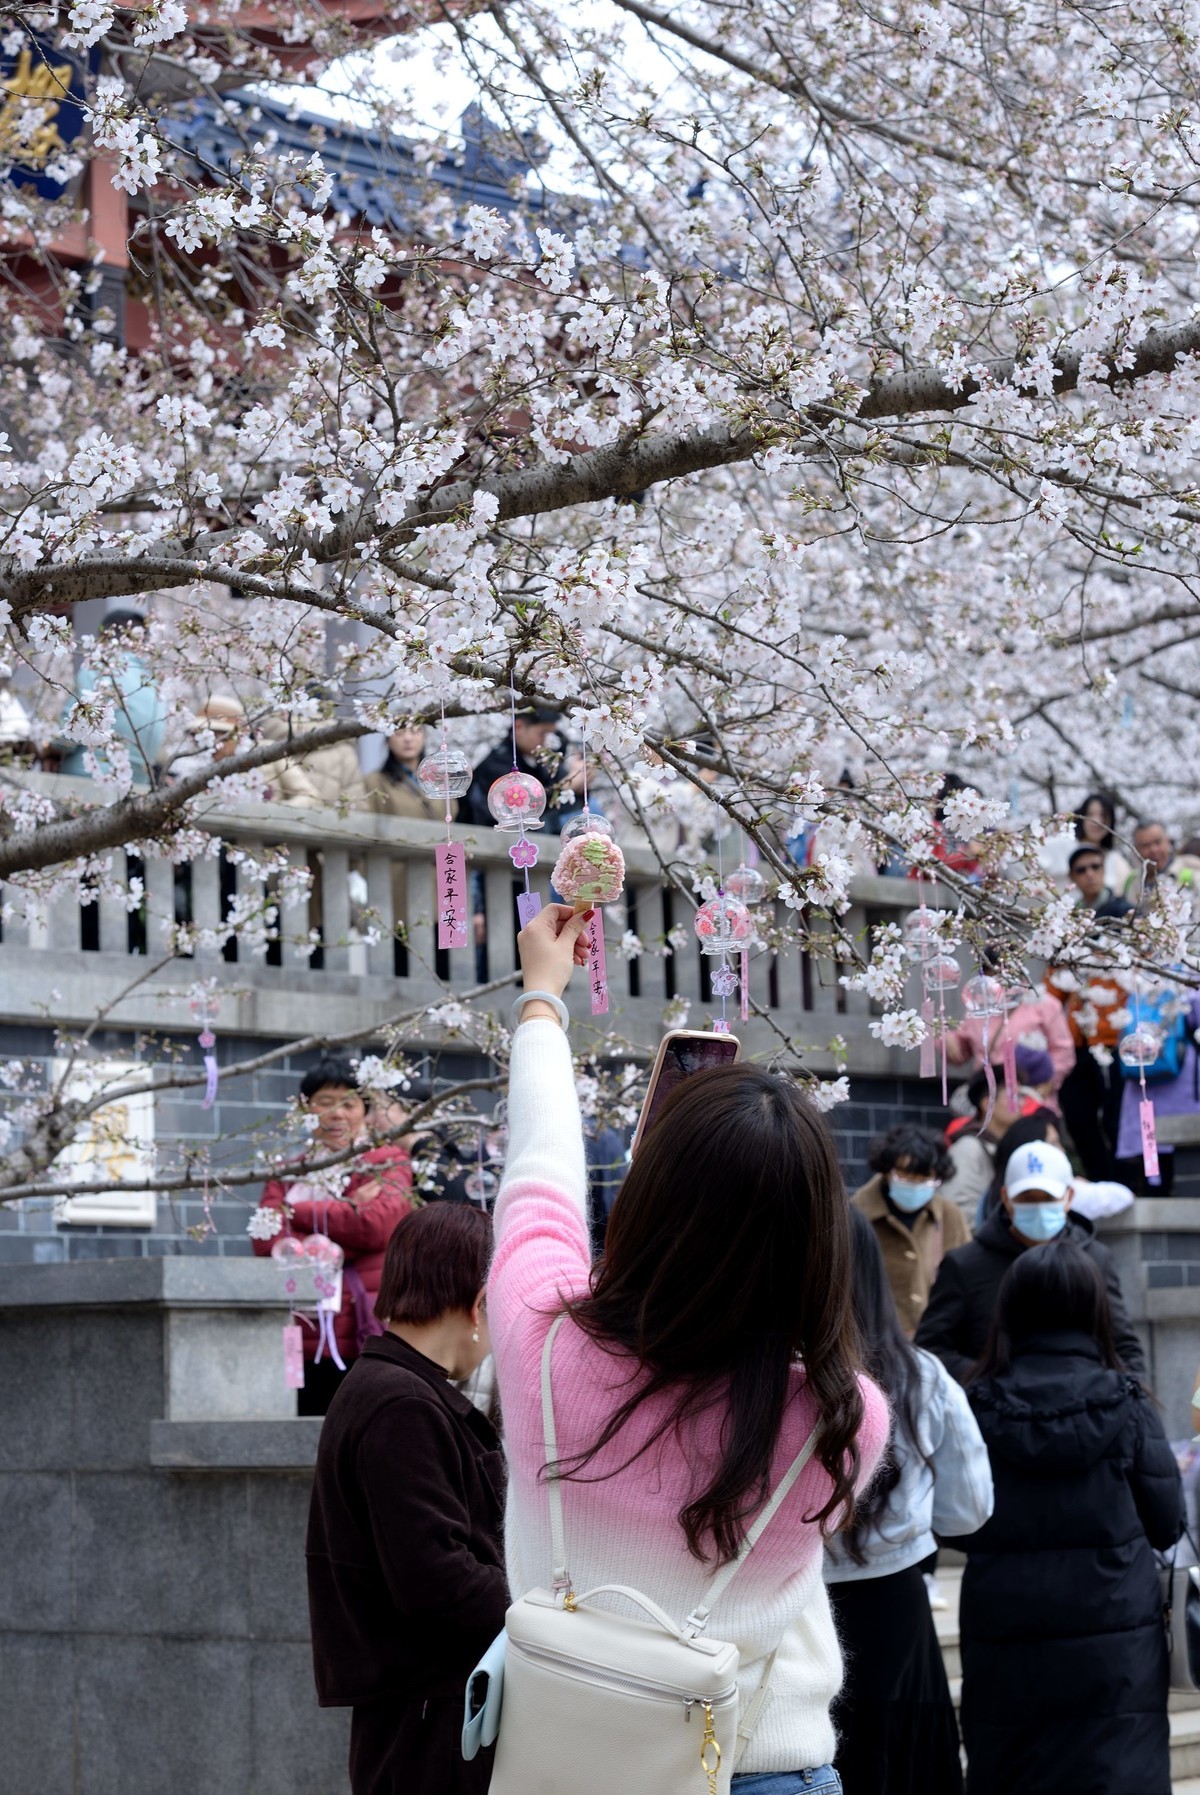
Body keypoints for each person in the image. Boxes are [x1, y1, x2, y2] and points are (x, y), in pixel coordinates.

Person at [490, 902, 890, 1792]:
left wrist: (543, 1003)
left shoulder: (542, 1349)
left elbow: (540, 1175)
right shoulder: (843, 1420)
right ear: (818, 1241)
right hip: (756, 1769)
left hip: (568, 1766)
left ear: (649, 1200)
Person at [958, 1242, 1184, 1795]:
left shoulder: (977, 1404)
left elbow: (953, 1524)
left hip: (1004, 1630)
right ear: (1095, 1309)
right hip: (1115, 1644)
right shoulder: (1129, 1404)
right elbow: (1168, 1523)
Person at [307, 1203, 506, 1795]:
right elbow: (437, 1581)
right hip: (430, 1721)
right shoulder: (403, 1404)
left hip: (419, 1715)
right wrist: (549, 1609)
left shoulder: (385, 1388)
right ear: (477, 1304)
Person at [825, 1209, 993, 1795]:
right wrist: (917, 1527)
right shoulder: (921, 1375)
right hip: (897, 1596)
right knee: (907, 1763)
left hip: (797, 1604)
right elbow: (969, 1508)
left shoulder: (770, 1379)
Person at [253, 1055, 414, 1413]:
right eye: (325, 1103)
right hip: (301, 1328)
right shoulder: (289, 1170)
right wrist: (348, 1207)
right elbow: (266, 1240)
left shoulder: (386, 1162)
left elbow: (376, 1227)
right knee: (302, 1431)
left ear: (364, 1111)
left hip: (363, 1329)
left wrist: (299, 1211)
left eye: (349, 1104)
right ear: (306, 1111)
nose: (338, 1114)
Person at [915, 1138, 1145, 1381]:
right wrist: (987, 1381)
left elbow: (1124, 1347)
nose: (1038, 1207)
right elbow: (931, 1349)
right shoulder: (966, 1265)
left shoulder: (1095, 1259)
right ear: (1006, 1198)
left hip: (1083, 1409)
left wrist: (1122, 1399)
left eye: (1047, 1198)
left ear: (1069, 1198)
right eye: (1027, 1199)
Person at [851, 1125, 970, 1338]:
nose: (915, 1185)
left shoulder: (950, 1217)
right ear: (887, 1170)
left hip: (935, 1343)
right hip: (870, 1343)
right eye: (906, 1175)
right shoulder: (856, 1216)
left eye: (925, 1178)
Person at [364, 724, 455, 958]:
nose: (407, 739)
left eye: (415, 731)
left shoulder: (441, 779)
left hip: (439, 873)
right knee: (404, 944)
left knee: (443, 945)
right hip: (397, 876)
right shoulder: (375, 782)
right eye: (399, 732)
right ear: (387, 738)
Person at [58, 608, 167, 786]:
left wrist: (49, 749)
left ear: (105, 636)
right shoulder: (155, 684)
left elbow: (68, 735)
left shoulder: (95, 669)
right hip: (138, 783)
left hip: (85, 779)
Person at [1114, 984, 1200, 1196]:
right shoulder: (1187, 978)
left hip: (1142, 1085)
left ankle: (1154, 1190)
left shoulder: (1136, 979)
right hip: (1183, 1085)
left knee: (1151, 1152)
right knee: (1187, 1165)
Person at [459, 702, 585, 833]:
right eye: (543, 734)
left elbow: (561, 801)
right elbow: (527, 804)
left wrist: (579, 783)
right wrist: (566, 786)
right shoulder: (497, 762)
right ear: (518, 727)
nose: (548, 742)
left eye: (552, 735)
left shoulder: (542, 761)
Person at [943, 1064, 1042, 1226]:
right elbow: (957, 1215)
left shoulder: (1011, 1145)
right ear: (987, 1104)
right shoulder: (968, 1148)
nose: (1022, 1104)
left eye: (1021, 1096)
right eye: (1013, 1096)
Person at [944, 977, 1074, 1092]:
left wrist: (1046, 1083)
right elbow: (962, 1049)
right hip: (989, 1094)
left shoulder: (1043, 1003)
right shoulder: (979, 1004)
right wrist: (946, 1041)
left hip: (1029, 1093)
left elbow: (1063, 1051)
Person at [1126, 816, 1198, 907]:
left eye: (1158, 842)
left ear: (1168, 841)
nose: (1153, 850)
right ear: (1136, 849)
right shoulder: (1132, 881)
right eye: (1145, 845)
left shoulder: (1192, 871)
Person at [1066, 841, 1132, 918]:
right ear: (1071, 877)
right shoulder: (1072, 915)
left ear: (1104, 870)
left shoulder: (1125, 911)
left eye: (1095, 867)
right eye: (1081, 870)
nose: (1089, 874)